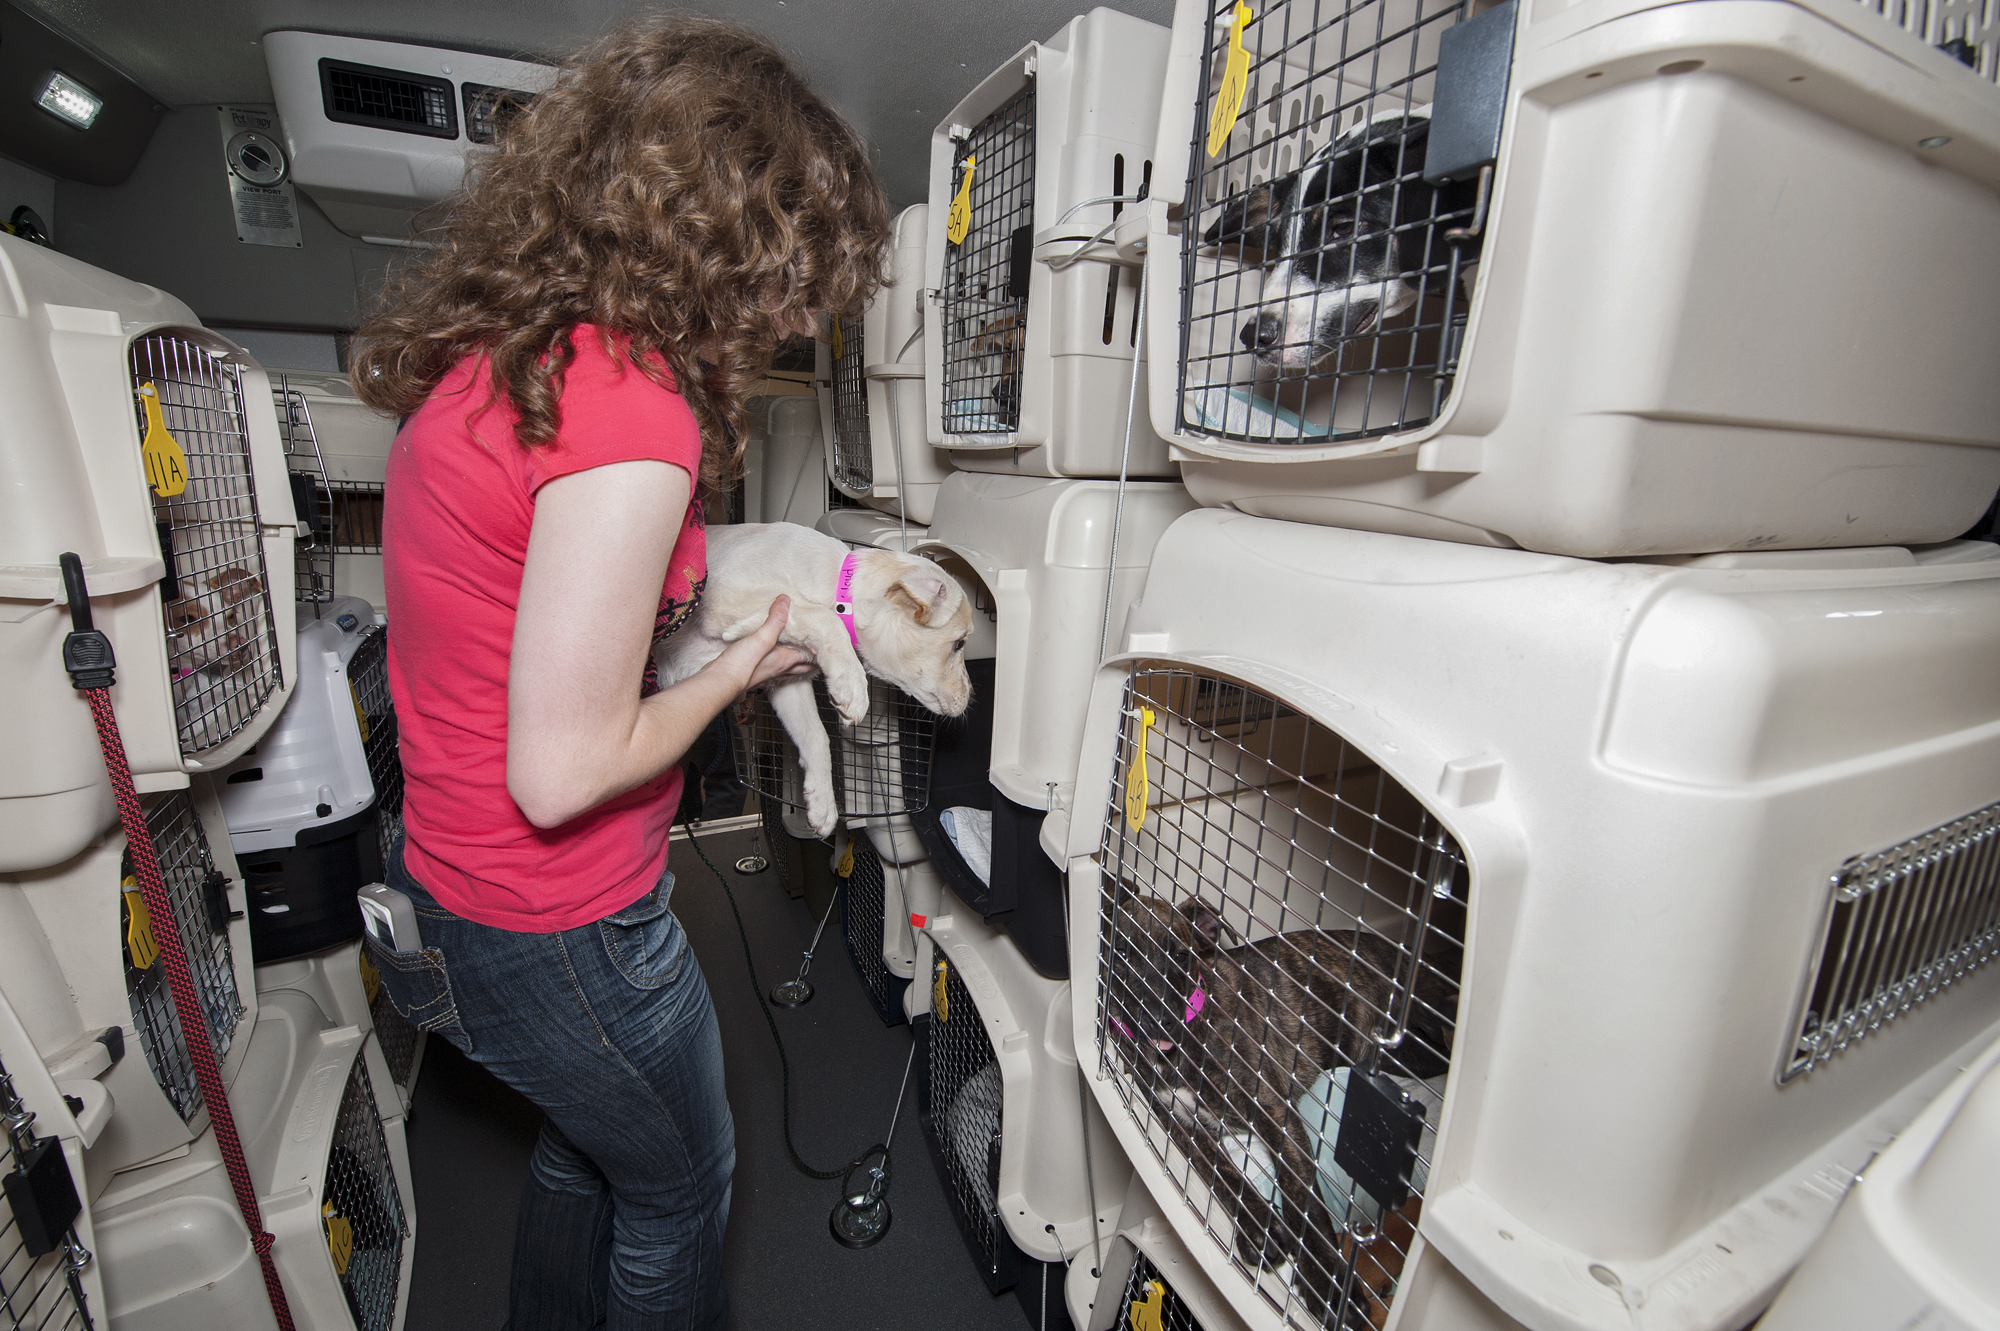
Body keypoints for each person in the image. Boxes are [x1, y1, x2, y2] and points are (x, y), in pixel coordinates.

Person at [351, 17, 890, 1328]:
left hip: (454, 882)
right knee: (683, 1184)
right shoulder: (633, 416)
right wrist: (741, 664)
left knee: (587, 1147)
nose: (804, 315)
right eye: (795, 272)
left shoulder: (513, 364)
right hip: (563, 922)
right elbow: (565, 769)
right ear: (720, 242)